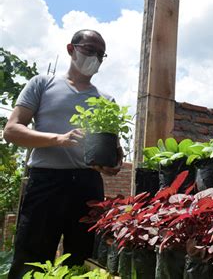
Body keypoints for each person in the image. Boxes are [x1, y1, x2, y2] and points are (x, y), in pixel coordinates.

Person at [4, 29, 123, 278]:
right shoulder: (42, 83)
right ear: (71, 49)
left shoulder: (106, 100)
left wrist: (111, 166)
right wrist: (59, 139)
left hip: (88, 185)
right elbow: (12, 130)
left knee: (84, 258)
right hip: (46, 181)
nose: (95, 58)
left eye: (101, 54)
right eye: (90, 50)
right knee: (32, 257)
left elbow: (115, 154)